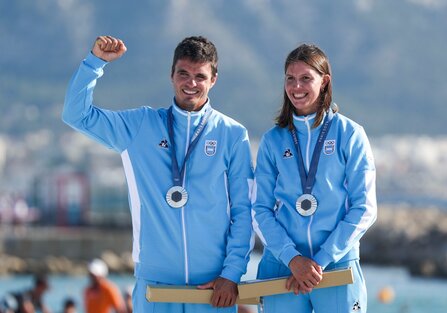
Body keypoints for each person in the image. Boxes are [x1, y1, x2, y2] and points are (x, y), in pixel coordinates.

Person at [63, 35, 254, 313]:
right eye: (183, 74)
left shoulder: (233, 135)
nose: (191, 83)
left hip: (213, 287)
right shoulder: (140, 126)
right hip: (155, 287)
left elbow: (243, 210)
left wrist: (232, 275)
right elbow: (75, 115)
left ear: (213, 79)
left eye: (200, 76)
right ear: (171, 75)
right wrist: (95, 62)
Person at [251, 43, 377, 312]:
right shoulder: (273, 140)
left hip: (336, 265)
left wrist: (319, 261)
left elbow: (364, 208)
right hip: (281, 267)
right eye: (290, 79)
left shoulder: (350, 134)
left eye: (306, 78)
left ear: (325, 81)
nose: (297, 87)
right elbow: (259, 209)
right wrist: (292, 259)